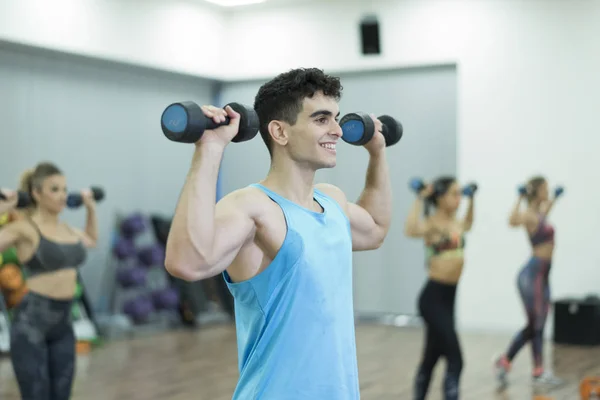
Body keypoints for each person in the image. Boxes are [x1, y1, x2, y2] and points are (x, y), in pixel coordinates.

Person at [164, 68, 392, 399]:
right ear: (279, 132)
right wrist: (210, 148)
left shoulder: (332, 201)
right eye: (321, 119)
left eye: (336, 118)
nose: (338, 131)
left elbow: (376, 229)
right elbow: (186, 262)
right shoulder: (253, 207)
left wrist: (378, 152)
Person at [0, 162, 98, 400]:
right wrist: (2, 209)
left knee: (62, 395)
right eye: (54, 189)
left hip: (64, 325)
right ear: (36, 193)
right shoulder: (24, 228)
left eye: (64, 189)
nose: (62, 196)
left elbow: (91, 241)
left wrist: (90, 209)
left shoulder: (67, 230)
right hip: (31, 325)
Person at [404, 177, 476, 400]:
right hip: (433, 299)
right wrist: (420, 197)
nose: (458, 199)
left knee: (432, 356)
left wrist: (472, 199)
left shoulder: (456, 222)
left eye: (459, 194)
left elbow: (469, 223)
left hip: (448, 299)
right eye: (454, 194)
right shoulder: (432, 223)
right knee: (456, 358)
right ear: (441, 197)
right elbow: (411, 229)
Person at [494, 176, 564, 387]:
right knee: (536, 323)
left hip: (543, 275)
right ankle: (536, 371)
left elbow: (545, 210)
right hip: (532, 274)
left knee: (538, 324)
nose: (547, 191)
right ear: (536, 191)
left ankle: (507, 362)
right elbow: (512, 220)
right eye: (545, 188)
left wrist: (555, 198)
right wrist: (520, 197)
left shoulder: (539, 214)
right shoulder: (529, 215)